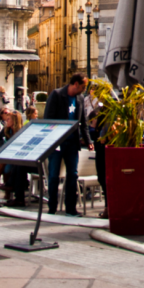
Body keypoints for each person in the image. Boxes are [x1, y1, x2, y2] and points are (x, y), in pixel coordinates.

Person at [42, 73, 91, 216]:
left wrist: (88, 141)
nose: (84, 89)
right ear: (76, 84)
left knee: (73, 175)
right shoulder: (57, 95)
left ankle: (71, 208)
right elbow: (48, 119)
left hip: (72, 143)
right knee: (53, 176)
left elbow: (83, 123)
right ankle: (52, 207)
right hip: (56, 143)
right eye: (83, 86)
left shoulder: (80, 99)